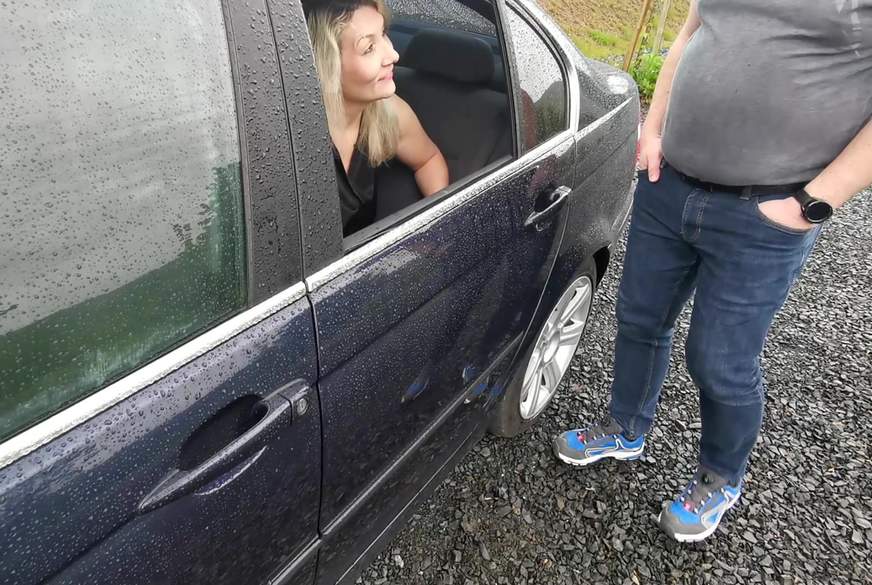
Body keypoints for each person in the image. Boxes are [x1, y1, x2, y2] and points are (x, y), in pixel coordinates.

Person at [553, 0, 872, 542]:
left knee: (720, 358)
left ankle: (720, 476)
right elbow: (689, 35)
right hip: (669, 185)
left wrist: (814, 203)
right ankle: (626, 429)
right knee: (639, 319)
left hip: (766, 213)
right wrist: (653, 131)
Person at [304, 0, 449, 235]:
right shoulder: (294, 132)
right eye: (369, 48)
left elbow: (428, 160)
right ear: (328, 64)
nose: (393, 55)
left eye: (384, 34)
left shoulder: (387, 112)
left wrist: (438, 227)